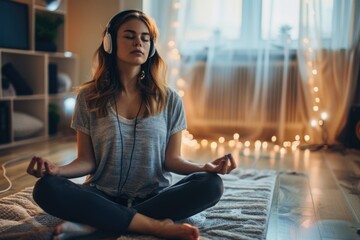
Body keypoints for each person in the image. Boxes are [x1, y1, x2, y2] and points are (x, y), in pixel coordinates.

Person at [26, 9, 237, 240]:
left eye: (145, 38)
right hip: (101, 196)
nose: (139, 42)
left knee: (211, 185)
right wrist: (57, 171)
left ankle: (98, 223)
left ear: (151, 47)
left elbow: (172, 160)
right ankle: (154, 226)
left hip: (155, 197)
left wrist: (204, 168)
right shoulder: (88, 97)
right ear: (110, 43)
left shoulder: (170, 99)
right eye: (129, 36)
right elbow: (87, 161)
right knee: (46, 188)